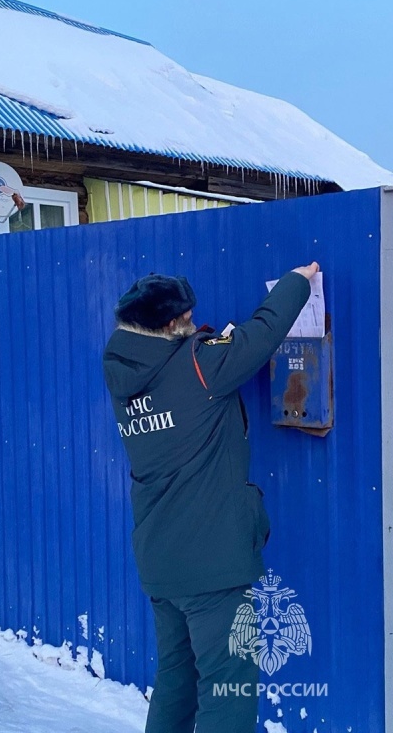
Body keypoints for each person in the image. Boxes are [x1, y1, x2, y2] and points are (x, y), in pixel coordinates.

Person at [102, 262, 319, 733]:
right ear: (168, 324)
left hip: (161, 563)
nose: (193, 317)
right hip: (212, 564)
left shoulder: (124, 375)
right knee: (228, 690)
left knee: (177, 682)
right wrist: (297, 281)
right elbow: (260, 336)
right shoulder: (200, 364)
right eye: (185, 315)